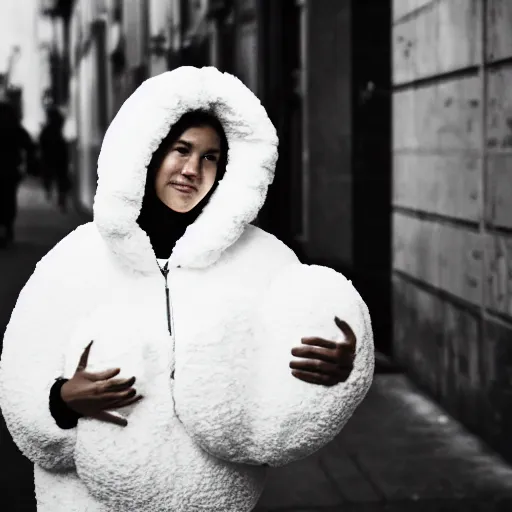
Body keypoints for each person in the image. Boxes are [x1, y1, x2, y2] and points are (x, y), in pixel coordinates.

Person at [0, 66, 374, 512]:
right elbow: (20, 383)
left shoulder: (262, 261)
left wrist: (339, 370)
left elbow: (289, 373)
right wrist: (61, 401)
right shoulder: (75, 260)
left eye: (211, 157)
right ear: (149, 151)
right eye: (182, 150)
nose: (192, 170)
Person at [0, 101, 37, 246]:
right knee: (9, 199)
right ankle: (7, 228)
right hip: (10, 170)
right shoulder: (15, 129)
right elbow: (29, 146)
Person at [39, 106, 70, 212]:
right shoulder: (58, 128)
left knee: (50, 175)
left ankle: (50, 191)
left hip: (50, 156)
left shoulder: (47, 130)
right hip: (59, 155)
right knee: (61, 178)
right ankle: (61, 199)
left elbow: (42, 143)